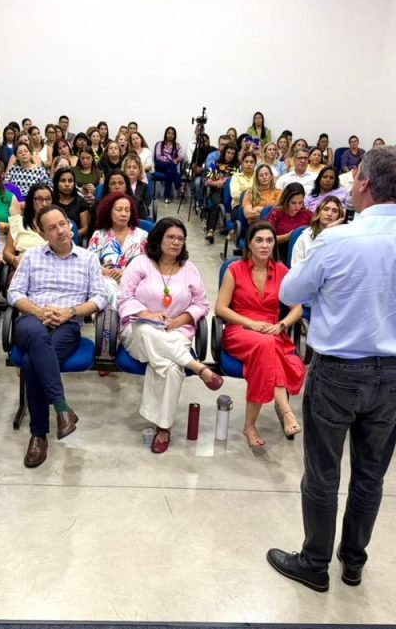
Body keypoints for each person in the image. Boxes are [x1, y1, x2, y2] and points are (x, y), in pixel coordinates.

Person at [267, 147, 396, 592]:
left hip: (339, 371)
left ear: (363, 182)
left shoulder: (337, 239)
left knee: (323, 472)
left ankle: (315, 562)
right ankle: (353, 561)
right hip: (394, 373)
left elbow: (290, 292)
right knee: (370, 474)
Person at [8, 206, 107, 468]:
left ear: (70, 224)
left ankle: (38, 434)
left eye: (63, 224)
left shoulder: (88, 259)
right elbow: (14, 293)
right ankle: (62, 409)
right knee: (36, 337)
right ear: (42, 234)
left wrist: (69, 312)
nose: (61, 230)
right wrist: (39, 312)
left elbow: (100, 298)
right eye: (52, 228)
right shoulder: (31, 257)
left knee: (31, 362)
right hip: (32, 320)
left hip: (68, 324)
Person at [118, 218, 221, 453]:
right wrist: (146, 314)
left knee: (172, 367)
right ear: (159, 238)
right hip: (138, 331)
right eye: (171, 237)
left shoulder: (189, 269)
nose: (176, 242)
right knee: (146, 330)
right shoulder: (140, 263)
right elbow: (124, 297)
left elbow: (201, 304)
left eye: (180, 239)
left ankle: (163, 428)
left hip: (176, 332)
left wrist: (178, 321)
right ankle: (197, 366)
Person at [216, 222, 305, 448]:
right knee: (267, 346)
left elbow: (297, 308)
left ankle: (250, 426)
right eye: (259, 240)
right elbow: (221, 309)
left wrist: (282, 325)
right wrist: (251, 324)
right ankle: (286, 411)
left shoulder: (282, 271)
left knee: (267, 349)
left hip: (272, 331)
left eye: (269, 240)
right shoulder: (235, 269)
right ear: (249, 243)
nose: (265, 245)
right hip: (241, 329)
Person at [88, 191, 148, 308]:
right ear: (109, 212)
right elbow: (89, 263)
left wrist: (125, 273)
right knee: (107, 284)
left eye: (127, 210)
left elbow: (147, 265)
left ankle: (119, 313)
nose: (123, 214)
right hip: (106, 281)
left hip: (134, 281)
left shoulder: (142, 235)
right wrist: (105, 271)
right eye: (119, 210)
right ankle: (120, 313)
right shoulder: (99, 235)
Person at [2, 183, 50, 270]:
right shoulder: (18, 222)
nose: (44, 203)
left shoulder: (60, 223)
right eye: (39, 199)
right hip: (25, 267)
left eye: (48, 199)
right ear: (31, 201)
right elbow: (7, 252)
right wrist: (14, 260)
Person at [291, 196, 345, 265]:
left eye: (334, 211)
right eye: (326, 209)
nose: (329, 214)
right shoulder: (304, 237)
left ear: (339, 216)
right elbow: (296, 267)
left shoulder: (343, 239)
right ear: (319, 212)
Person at [266, 183, 313, 260]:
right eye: (293, 203)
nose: (297, 206)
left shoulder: (307, 214)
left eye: (300, 202)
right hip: (280, 253)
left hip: (304, 253)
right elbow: (266, 238)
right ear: (286, 201)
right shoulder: (276, 213)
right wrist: (287, 237)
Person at [203, 145, 239, 243]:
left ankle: (232, 229)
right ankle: (211, 231)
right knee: (217, 203)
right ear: (224, 153)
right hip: (217, 190)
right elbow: (207, 181)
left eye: (232, 153)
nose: (230, 155)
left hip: (231, 193)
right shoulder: (215, 164)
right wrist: (216, 183)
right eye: (228, 153)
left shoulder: (237, 167)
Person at [53, 166, 90, 236]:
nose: (67, 184)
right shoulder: (51, 202)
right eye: (63, 181)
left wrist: (70, 235)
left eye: (70, 181)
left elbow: (85, 229)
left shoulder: (81, 202)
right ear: (56, 183)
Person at [154, 127, 185, 203]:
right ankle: (179, 186)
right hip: (160, 165)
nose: (170, 135)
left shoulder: (177, 145)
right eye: (169, 133)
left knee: (169, 172)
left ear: (174, 135)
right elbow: (158, 157)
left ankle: (166, 197)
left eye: (172, 134)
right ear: (166, 134)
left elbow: (181, 156)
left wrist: (177, 159)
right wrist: (171, 160)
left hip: (170, 167)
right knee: (171, 165)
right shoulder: (159, 144)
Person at [122, 153, 150, 220]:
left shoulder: (144, 186)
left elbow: (145, 206)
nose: (131, 170)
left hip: (139, 217)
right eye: (128, 167)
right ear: (124, 170)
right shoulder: (120, 185)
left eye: (135, 167)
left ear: (139, 170)